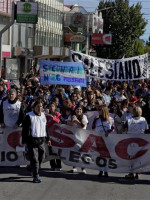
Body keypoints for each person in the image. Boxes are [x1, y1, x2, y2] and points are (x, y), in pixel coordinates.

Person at [22, 100, 51, 183]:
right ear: (33, 107)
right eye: (37, 106)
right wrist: (24, 141)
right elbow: (25, 130)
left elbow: (46, 128)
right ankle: (36, 176)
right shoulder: (29, 116)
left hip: (41, 140)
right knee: (34, 159)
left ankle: (31, 167)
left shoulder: (43, 116)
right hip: (32, 140)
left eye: (41, 106)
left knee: (42, 157)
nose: (39, 108)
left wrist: (48, 138)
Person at [123, 106, 148, 179]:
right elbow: (146, 130)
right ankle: (138, 172)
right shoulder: (143, 119)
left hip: (131, 141)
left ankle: (131, 173)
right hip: (141, 141)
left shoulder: (129, 120)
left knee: (131, 158)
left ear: (133, 111)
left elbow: (124, 128)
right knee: (139, 157)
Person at [92, 105, 113, 177]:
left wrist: (108, 132)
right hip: (98, 139)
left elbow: (113, 128)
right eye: (98, 110)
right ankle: (100, 170)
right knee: (99, 155)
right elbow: (93, 127)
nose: (98, 111)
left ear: (104, 110)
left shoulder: (110, 119)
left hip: (107, 140)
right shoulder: (97, 119)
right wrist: (95, 120)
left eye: (100, 110)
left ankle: (106, 170)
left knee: (106, 156)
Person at [67, 105, 88, 174]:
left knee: (82, 153)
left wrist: (76, 120)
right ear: (75, 110)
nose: (78, 111)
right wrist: (73, 120)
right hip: (73, 137)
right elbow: (68, 124)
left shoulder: (84, 117)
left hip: (82, 137)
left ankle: (83, 168)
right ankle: (74, 167)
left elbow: (82, 126)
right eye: (77, 109)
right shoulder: (71, 116)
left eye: (80, 109)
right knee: (73, 152)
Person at [46, 102, 62, 171]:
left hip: (57, 135)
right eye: (50, 106)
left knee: (57, 150)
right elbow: (47, 125)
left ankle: (58, 165)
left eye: (52, 106)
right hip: (50, 134)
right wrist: (51, 118)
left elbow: (59, 122)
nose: (51, 107)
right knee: (50, 150)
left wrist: (53, 118)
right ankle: (52, 165)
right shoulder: (47, 115)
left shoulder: (58, 114)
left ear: (55, 107)